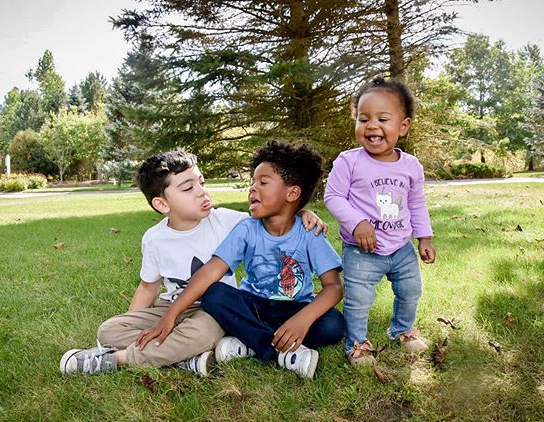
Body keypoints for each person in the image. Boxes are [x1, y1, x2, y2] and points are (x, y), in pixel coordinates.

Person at [59, 150, 326, 377]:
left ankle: (117, 360)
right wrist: (141, 325)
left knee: (201, 333)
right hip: (171, 307)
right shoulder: (154, 239)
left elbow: (274, 213)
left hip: (213, 311)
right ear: (162, 204)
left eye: (201, 182)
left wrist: (302, 211)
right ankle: (185, 359)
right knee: (108, 330)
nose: (202, 192)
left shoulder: (226, 221)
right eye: (188, 188)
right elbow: (147, 288)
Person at [139, 141, 345, 379]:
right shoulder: (246, 229)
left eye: (263, 182)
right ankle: (275, 351)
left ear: (292, 193)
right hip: (252, 305)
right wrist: (171, 314)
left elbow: (334, 286)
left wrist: (303, 320)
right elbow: (210, 271)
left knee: (333, 325)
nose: (252, 188)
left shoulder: (309, 232)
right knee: (215, 293)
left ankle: (247, 341)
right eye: (253, 182)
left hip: (294, 308)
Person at [324, 76, 437, 368]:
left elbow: (416, 203)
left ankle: (402, 331)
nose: (372, 125)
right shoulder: (348, 161)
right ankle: (358, 344)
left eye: (382, 119)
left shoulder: (411, 166)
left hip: (401, 248)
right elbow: (333, 196)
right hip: (362, 252)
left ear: (403, 126)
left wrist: (424, 238)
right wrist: (357, 222)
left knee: (411, 291)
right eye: (364, 119)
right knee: (359, 300)